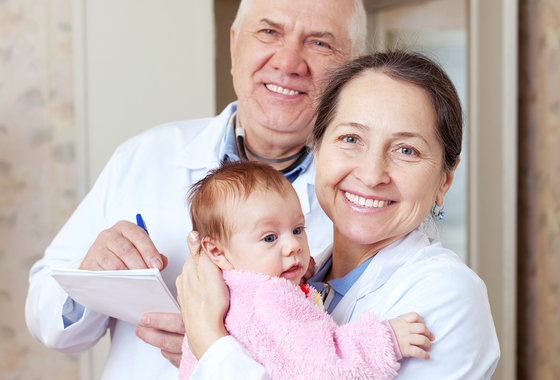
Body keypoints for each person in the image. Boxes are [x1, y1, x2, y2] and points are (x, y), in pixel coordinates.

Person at [24, 0, 367, 379]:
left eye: (319, 43)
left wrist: (218, 348)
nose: (288, 63)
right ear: (235, 46)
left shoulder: (366, 195)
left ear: (354, 70)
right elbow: (49, 320)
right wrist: (90, 277)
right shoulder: (145, 155)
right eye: (269, 32)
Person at [177, 50, 501, 379]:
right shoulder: (294, 278)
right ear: (316, 149)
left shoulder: (449, 295)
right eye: (351, 139)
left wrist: (210, 343)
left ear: (444, 180)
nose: (372, 174)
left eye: (406, 150)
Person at [177, 160, 434, 380]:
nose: (293, 246)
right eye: (269, 238)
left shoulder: (229, 289)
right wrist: (384, 340)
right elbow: (323, 367)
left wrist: (297, 281)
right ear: (217, 252)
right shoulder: (269, 299)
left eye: (298, 230)